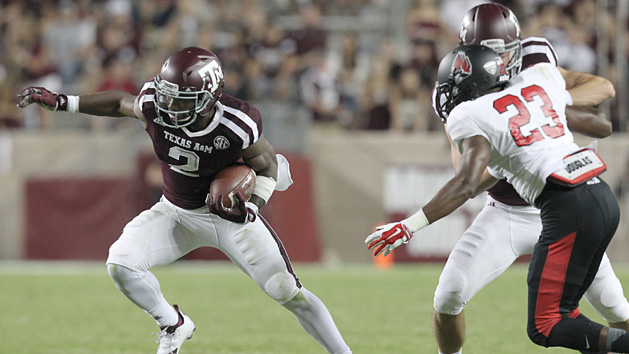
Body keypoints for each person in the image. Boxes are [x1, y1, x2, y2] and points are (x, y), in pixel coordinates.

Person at [17, 47, 352, 354]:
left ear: (209, 97)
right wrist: (64, 102)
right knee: (121, 263)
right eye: (167, 96)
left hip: (229, 219)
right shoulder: (155, 103)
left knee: (287, 292)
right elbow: (121, 103)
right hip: (175, 212)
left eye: (181, 100)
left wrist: (251, 205)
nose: (169, 107)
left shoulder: (237, 123)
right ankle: (173, 324)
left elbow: (268, 167)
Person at [367, 43, 629, 352]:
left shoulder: (472, 112)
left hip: (565, 210)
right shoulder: (537, 85)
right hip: (591, 198)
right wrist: (548, 114)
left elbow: (466, 183)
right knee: (562, 312)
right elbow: (603, 124)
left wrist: (409, 226)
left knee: (554, 323)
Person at [427, 3, 629, 354]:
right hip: (506, 209)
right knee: (449, 294)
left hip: (564, 204)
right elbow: (467, 173)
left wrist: (540, 109)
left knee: (614, 305)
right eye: (489, 54)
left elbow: (601, 89)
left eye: (506, 51)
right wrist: (513, 131)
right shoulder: (459, 81)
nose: (501, 61)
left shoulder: (535, 58)